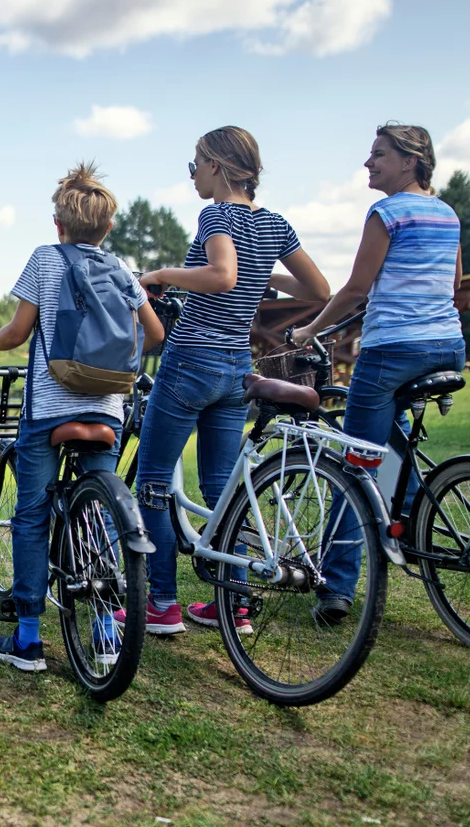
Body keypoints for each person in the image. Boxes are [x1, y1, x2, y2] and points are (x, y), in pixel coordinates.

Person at [117, 126, 330, 636]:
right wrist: (265, 272)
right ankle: (232, 604)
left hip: (191, 359)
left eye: (195, 165)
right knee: (222, 486)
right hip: (237, 365)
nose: (192, 176)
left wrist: (163, 273)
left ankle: (162, 604)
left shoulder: (216, 214)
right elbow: (318, 288)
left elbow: (221, 276)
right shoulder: (276, 224)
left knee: (152, 483)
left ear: (216, 166)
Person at [0, 162, 165, 671]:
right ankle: (106, 629)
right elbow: (155, 334)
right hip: (107, 407)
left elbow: (17, 333)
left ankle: (28, 638)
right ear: (107, 228)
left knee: (32, 516)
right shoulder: (123, 268)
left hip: (50, 410)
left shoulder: (44, 259)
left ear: (58, 224)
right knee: (102, 513)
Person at [291, 123, 466, 623]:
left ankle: (336, 586)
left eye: (378, 155)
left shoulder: (386, 212)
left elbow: (354, 290)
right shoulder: (448, 212)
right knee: (394, 440)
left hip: (393, 352)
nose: (369, 163)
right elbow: (451, 282)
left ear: (410, 161)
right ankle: (412, 530)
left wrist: (311, 332)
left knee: (355, 465)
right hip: (447, 346)